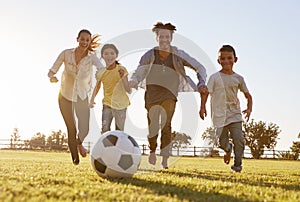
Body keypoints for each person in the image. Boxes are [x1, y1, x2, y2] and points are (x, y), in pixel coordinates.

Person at [130, 22, 207, 169]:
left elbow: (199, 67)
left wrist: (201, 82)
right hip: (151, 94)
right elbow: (139, 70)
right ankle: (152, 150)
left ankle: (165, 157)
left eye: (167, 36)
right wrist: (134, 80)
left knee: (166, 124)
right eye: (161, 36)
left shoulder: (178, 54)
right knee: (153, 125)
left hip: (169, 94)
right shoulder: (149, 55)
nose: (164, 39)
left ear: (171, 38)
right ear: (157, 38)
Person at [47, 29, 104, 165]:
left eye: (87, 40)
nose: (84, 42)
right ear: (77, 39)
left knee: (85, 128)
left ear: (89, 42)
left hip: (81, 96)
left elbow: (102, 69)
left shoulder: (92, 58)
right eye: (82, 39)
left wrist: (109, 72)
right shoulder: (66, 54)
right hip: (65, 96)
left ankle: (79, 143)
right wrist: (52, 77)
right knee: (71, 128)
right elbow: (51, 71)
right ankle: (75, 159)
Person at [200, 45, 253, 173]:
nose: (226, 61)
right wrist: (202, 107)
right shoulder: (214, 78)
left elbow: (248, 95)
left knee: (239, 139)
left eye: (229, 58)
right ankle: (227, 149)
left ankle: (237, 166)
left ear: (235, 59)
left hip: (235, 114)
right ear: (219, 61)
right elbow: (206, 93)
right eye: (223, 59)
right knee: (222, 142)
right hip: (218, 116)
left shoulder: (238, 78)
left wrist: (249, 109)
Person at [89, 44, 131, 133]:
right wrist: (92, 100)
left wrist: (123, 77)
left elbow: (128, 89)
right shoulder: (101, 72)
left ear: (116, 55)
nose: (109, 56)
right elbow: (97, 87)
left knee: (119, 132)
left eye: (112, 53)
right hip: (107, 104)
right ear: (102, 56)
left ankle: (118, 147)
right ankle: (106, 147)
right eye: (106, 54)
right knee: (105, 130)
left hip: (121, 105)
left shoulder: (121, 69)